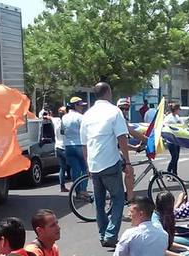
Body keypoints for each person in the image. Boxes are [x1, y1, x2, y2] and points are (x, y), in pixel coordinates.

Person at [80, 83, 134, 247]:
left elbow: (84, 144)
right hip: (110, 163)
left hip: (94, 164)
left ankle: (103, 233)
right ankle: (110, 234)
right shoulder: (114, 111)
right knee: (118, 198)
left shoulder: (87, 115)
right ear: (108, 92)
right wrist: (127, 161)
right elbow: (122, 137)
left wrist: (88, 165)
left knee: (99, 201)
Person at [61, 97, 88, 194]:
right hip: (80, 145)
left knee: (75, 169)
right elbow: (86, 131)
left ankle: (77, 191)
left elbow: (62, 131)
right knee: (85, 168)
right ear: (75, 105)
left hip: (68, 146)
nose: (82, 107)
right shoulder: (81, 117)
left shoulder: (64, 117)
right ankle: (84, 190)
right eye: (81, 105)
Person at [163, 102, 184, 175]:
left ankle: (175, 173)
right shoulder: (168, 118)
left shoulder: (177, 117)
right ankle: (168, 172)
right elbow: (165, 127)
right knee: (174, 157)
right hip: (170, 140)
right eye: (179, 109)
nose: (179, 111)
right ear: (176, 109)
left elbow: (182, 125)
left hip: (177, 140)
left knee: (177, 157)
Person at [54, 106, 68, 192]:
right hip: (64, 147)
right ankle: (78, 187)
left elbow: (50, 117)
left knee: (62, 168)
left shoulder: (56, 121)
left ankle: (62, 187)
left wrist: (46, 116)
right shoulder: (65, 122)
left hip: (57, 147)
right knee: (74, 166)